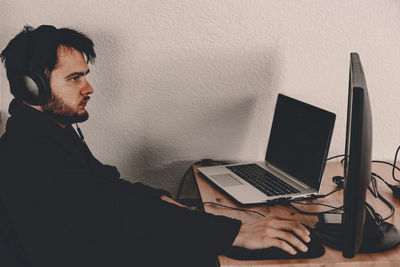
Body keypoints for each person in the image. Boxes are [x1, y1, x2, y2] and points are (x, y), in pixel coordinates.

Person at [0, 25, 310, 267]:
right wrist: (235, 233)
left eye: (86, 76)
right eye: (75, 78)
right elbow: (118, 213)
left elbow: (109, 189)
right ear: (33, 88)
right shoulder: (30, 153)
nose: (89, 88)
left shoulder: (50, 131)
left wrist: (172, 204)